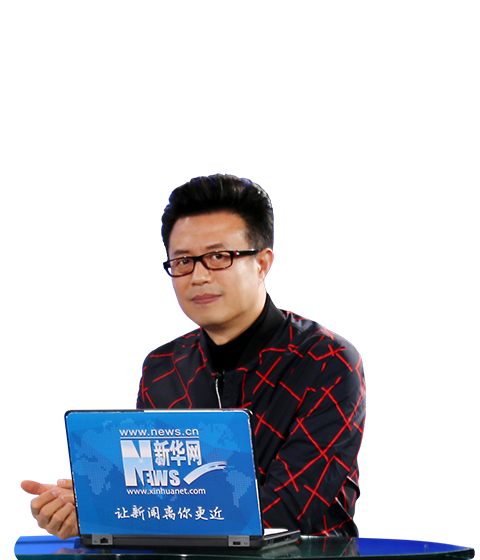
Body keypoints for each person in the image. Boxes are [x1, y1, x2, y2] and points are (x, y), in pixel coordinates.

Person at [22, 174, 366, 538]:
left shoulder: (326, 361)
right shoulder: (163, 369)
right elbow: (155, 491)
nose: (198, 276)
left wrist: (124, 512)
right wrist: (91, 507)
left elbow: (286, 511)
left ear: (262, 263)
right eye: (183, 261)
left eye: (218, 256)